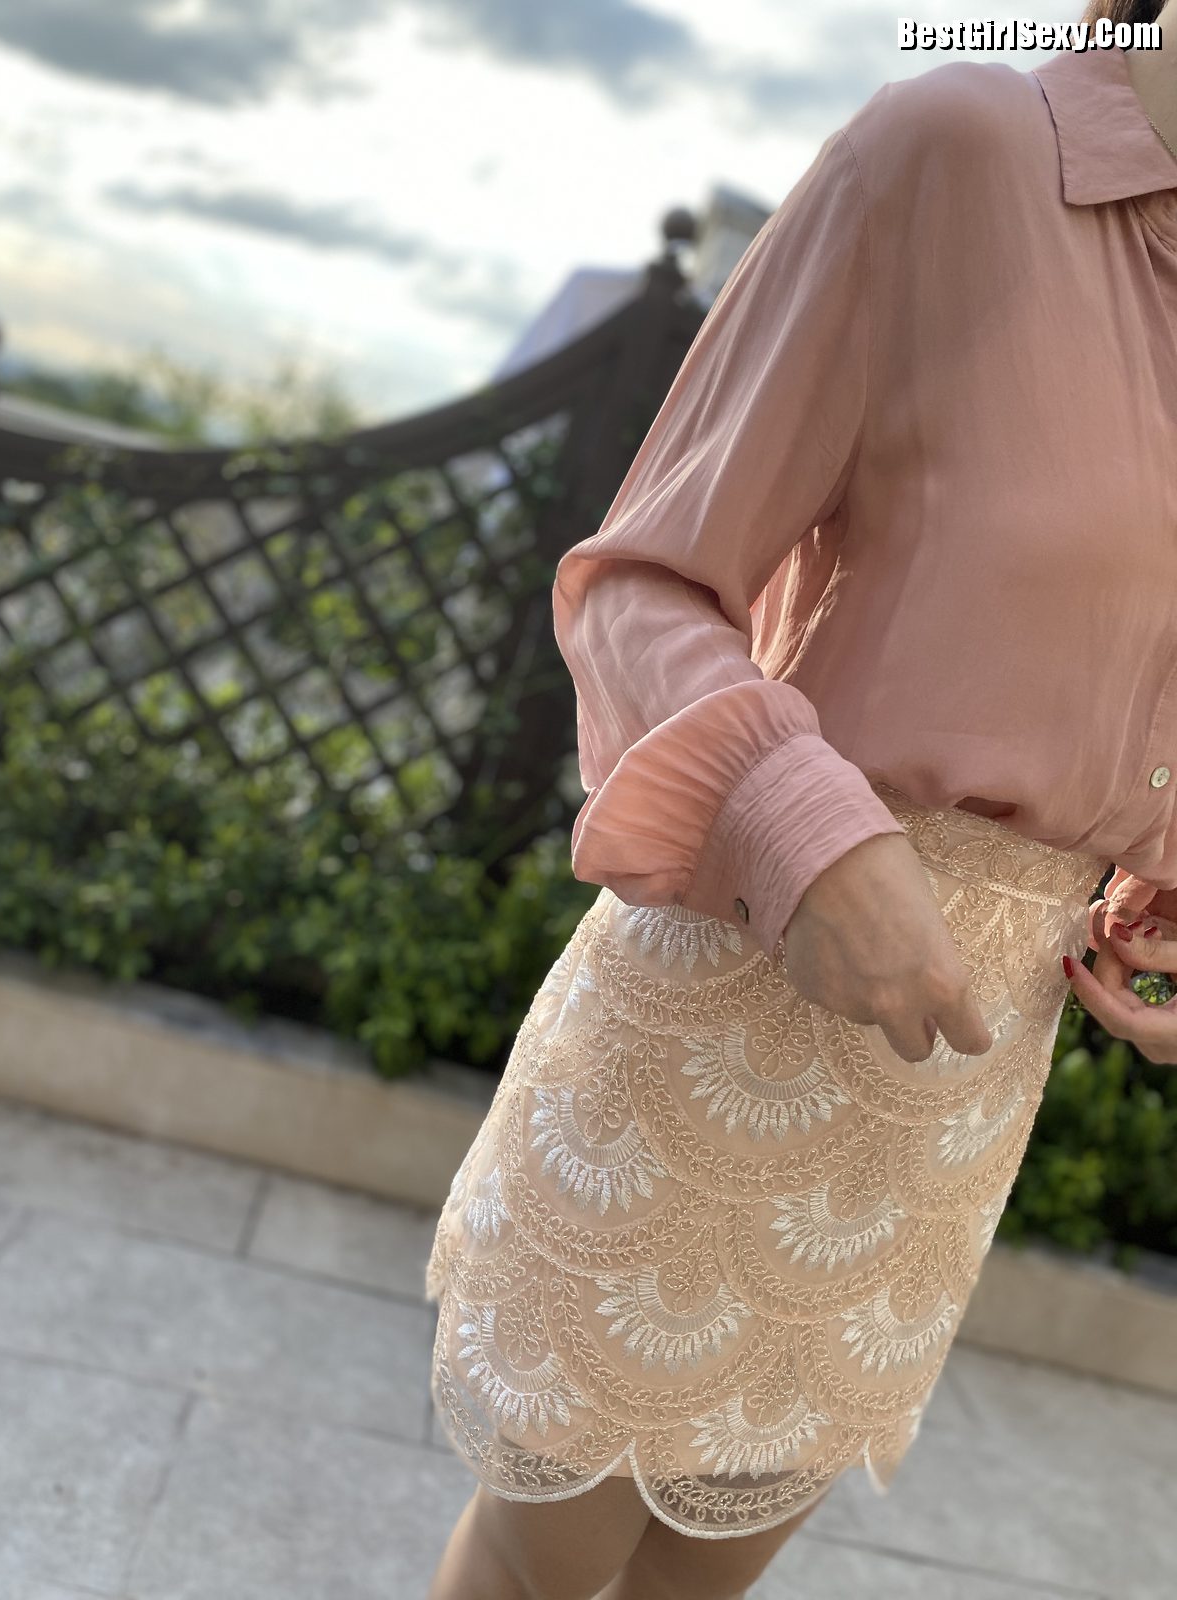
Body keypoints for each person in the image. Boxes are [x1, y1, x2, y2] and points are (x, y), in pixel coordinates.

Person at [424, 7, 1177, 1597]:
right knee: (538, 1576)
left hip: (958, 1093)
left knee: (703, 1588)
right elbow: (640, 582)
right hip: (732, 1000)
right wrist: (806, 828)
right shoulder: (957, 153)